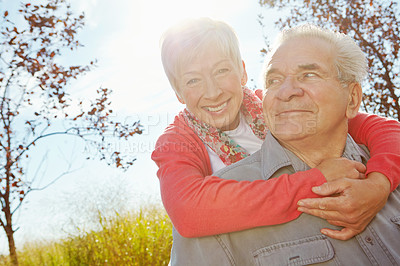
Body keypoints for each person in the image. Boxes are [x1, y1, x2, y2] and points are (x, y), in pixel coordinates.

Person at [169, 24, 400, 265]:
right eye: (275, 79)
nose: (286, 92)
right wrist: (316, 180)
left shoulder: (386, 160)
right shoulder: (208, 214)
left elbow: (387, 128)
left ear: (352, 98)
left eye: (309, 74)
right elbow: (186, 212)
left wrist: (379, 182)